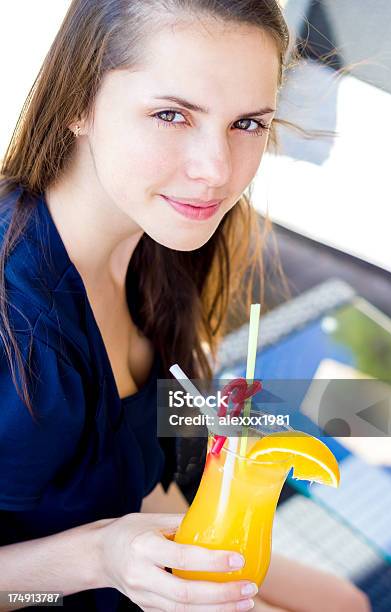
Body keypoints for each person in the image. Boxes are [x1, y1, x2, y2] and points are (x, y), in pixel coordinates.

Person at [0, 1, 371, 610]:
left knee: (347, 602)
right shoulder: (20, 334)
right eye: (171, 115)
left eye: (248, 124)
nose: (217, 171)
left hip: (157, 531)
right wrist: (99, 556)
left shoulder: (163, 240)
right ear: (76, 103)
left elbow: (139, 467)